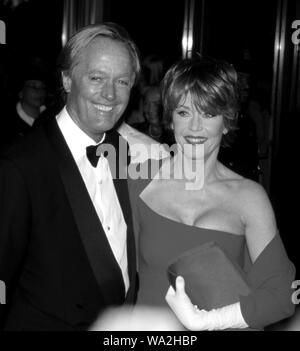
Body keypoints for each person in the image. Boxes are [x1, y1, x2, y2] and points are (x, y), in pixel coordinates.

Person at [129, 56, 296, 330]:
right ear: (170, 118)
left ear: (227, 121)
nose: (195, 127)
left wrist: (208, 321)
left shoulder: (248, 197)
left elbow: (282, 294)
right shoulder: (140, 180)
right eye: (184, 112)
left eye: (208, 114)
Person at [0, 22, 140, 330]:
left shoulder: (122, 150)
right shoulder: (20, 165)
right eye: (96, 78)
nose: (110, 94)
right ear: (66, 79)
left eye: (122, 82)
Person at [1, 71, 47, 146]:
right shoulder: (8, 123)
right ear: (21, 92)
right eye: (33, 87)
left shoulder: (52, 117)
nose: (39, 91)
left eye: (42, 87)